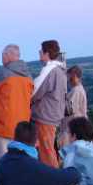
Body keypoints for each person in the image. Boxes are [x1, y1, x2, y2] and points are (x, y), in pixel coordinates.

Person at [0, 44, 33, 165]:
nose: (2, 58)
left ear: (8, 55)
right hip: (22, 126)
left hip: (4, 125)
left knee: (2, 162)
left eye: (3, 55)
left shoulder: (3, 74)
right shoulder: (29, 76)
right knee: (19, 161)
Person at [31, 40, 67, 168]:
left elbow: (34, 92)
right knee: (48, 149)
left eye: (41, 51)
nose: (39, 53)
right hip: (53, 115)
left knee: (46, 151)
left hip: (45, 116)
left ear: (47, 53)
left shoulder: (49, 70)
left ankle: (55, 182)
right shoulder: (60, 70)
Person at [59, 65, 88, 146]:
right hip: (75, 128)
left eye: (69, 77)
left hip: (72, 129)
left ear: (74, 76)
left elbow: (69, 110)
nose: (68, 80)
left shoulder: (76, 91)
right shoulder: (78, 89)